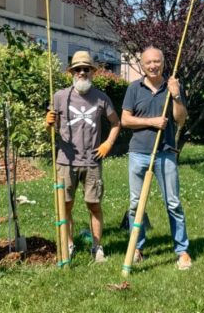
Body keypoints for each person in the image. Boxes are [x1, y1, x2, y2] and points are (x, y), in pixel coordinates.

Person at [45, 51, 120, 263]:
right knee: (65, 205)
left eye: (86, 69)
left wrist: (108, 143)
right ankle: (68, 244)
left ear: (92, 72)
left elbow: (116, 123)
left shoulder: (101, 98)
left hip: (92, 161)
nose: (82, 72)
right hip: (65, 161)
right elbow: (50, 128)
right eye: (77, 69)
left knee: (94, 204)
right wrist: (48, 122)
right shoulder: (60, 97)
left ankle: (97, 246)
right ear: (72, 72)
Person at [121, 46, 192, 270]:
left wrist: (177, 95)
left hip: (165, 153)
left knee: (173, 203)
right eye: (148, 62)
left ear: (163, 63)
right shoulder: (134, 88)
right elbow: (125, 120)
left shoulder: (173, 87)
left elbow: (180, 120)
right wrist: (151, 122)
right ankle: (137, 248)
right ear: (142, 65)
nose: (153, 66)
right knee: (135, 205)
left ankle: (182, 251)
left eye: (157, 62)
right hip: (138, 153)